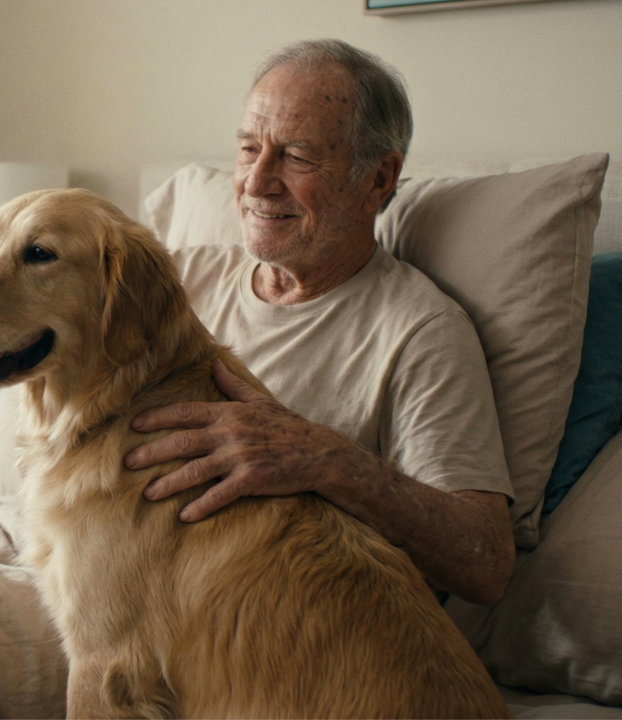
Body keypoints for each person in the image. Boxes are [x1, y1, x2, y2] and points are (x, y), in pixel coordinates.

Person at [125, 39, 516, 606]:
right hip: (89, 555)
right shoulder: (181, 279)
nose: (257, 182)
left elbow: (487, 562)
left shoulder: (419, 331)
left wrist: (325, 459)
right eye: (248, 148)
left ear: (378, 180)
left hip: (229, 618)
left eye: (297, 156)